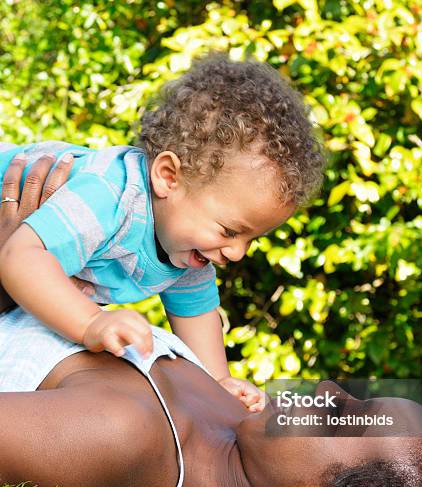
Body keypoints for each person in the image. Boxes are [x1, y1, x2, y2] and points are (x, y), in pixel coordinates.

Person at [0, 157, 422, 487]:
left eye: (341, 418)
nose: (329, 390)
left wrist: (16, 257)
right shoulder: (235, 414)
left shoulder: (119, 437)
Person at [0, 53, 324, 410]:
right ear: (168, 176)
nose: (237, 253)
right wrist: (90, 322)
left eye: (251, 240)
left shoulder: (185, 252)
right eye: (230, 230)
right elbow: (22, 257)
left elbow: (198, 317)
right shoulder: (109, 196)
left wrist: (218, 385)